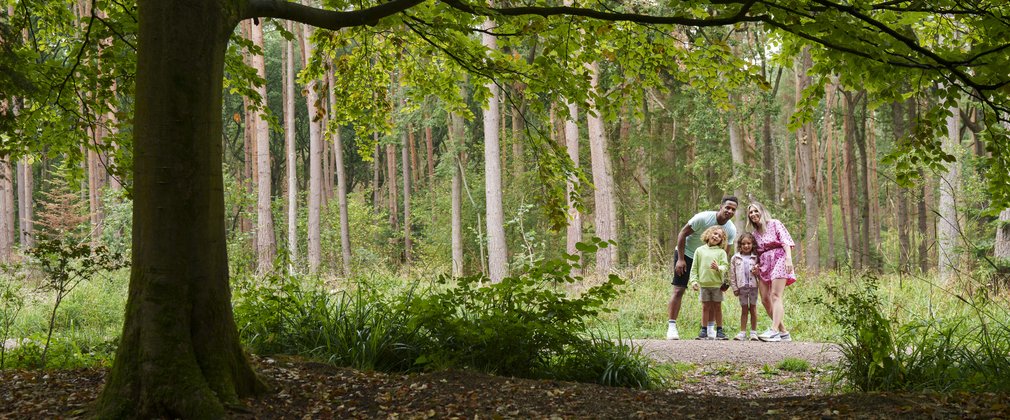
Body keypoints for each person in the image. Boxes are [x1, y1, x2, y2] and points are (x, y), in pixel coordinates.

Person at [666, 196, 738, 340]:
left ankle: (710, 328)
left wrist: (724, 278)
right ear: (721, 207)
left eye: (733, 209)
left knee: (712, 291)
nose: (729, 211)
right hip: (686, 254)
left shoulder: (731, 229)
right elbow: (682, 233)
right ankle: (672, 327)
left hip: (710, 260)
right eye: (727, 207)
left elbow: (725, 253)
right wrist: (680, 259)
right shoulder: (703, 218)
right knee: (679, 289)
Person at [745, 202, 795, 342]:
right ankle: (783, 332)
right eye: (751, 212)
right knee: (765, 299)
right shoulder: (754, 234)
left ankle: (773, 330)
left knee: (775, 295)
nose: (753, 214)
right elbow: (757, 253)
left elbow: (786, 242)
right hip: (764, 263)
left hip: (780, 258)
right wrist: (756, 265)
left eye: (756, 211)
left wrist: (788, 259)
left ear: (762, 211)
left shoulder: (774, 223)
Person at [689, 226, 730, 340]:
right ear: (708, 234)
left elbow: (725, 266)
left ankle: (720, 330)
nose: (716, 236)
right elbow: (694, 268)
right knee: (705, 307)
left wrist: (718, 267)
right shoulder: (699, 250)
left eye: (719, 236)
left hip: (717, 284)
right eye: (715, 233)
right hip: (704, 285)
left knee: (717, 307)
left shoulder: (721, 252)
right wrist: (693, 281)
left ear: (722, 240)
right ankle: (704, 330)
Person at [729, 232, 760, 341]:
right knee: (744, 309)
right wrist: (734, 288)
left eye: (749, 243)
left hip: (753, 287)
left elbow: (760, 273)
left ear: (752, 244)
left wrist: (757, 271)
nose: (746, 246)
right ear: (740, 245)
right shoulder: (735, 258)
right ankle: (742, 332)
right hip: (741, 287)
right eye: (743, 244)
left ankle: (753, 332)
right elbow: (732, 274)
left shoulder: (756, 257)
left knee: (753, 308)